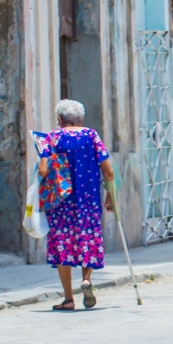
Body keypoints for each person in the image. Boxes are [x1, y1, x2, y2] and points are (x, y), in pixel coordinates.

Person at [36, 99, 117, 312]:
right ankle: (87, 280)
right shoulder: (91, 135)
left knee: (62, 242)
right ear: (81, 119)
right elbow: (108, 171)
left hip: (61, 201)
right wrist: (110, 197)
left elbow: (43, 171)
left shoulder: (51, 138)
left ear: (60, 120)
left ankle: (68, 299)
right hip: (88, 200)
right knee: (87, 238)